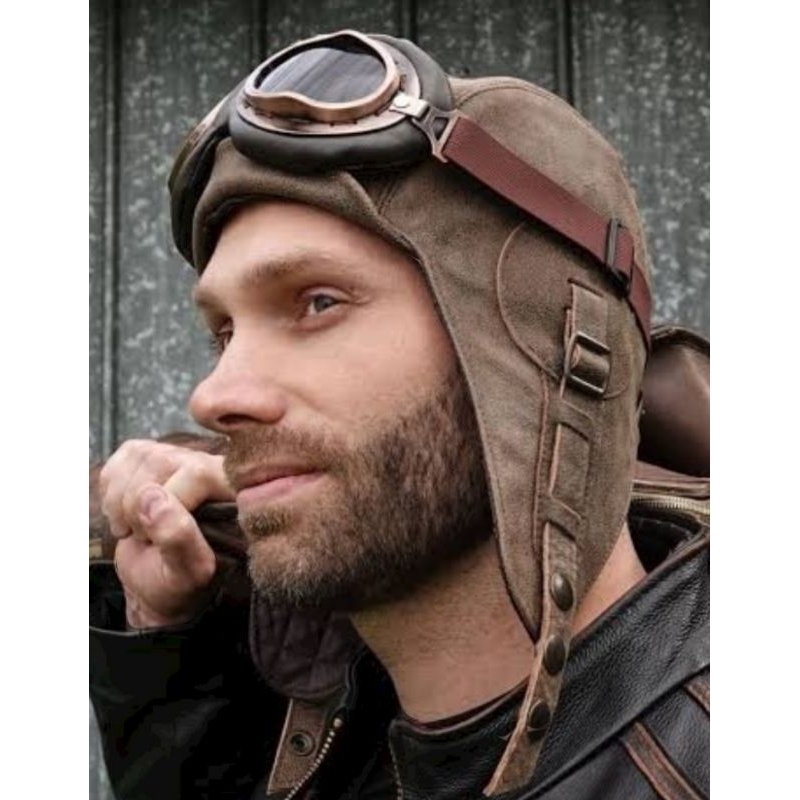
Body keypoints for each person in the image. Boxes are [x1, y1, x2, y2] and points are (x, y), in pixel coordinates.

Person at [89, 30, 709, 800]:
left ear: (551, 347)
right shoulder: (341, 718)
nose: (213, 396)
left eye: (317, 302)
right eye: (224, 332)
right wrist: (167, 643)